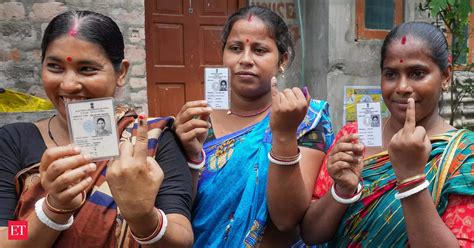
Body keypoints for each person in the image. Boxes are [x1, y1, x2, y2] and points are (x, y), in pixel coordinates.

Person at [0, 11, 193, 247]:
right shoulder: (13, 141)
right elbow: (8, 234)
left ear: (121, 72)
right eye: (55, 67)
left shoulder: (151, 140)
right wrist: (52, 210)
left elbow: (181, 236)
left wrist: (143, 216)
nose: (69, 84)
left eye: (87, 69)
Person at [301, 22, 473, 247]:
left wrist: (411, 178)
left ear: (446, 75)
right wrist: (342, 191)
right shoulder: (354, 136)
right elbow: (311, 234)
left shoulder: (464, 155)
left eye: (417, 73)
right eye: (391, 74)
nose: (402, 86)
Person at [174, 6, 334, 247]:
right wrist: (188, 155)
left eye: (259, 50)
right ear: (223, 54)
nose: (245, 59)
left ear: (283, 59)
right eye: (236, 48)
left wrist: (284, 135)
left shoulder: (303, 118)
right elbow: (179, 210)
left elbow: (286, 219)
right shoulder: (197, 122)